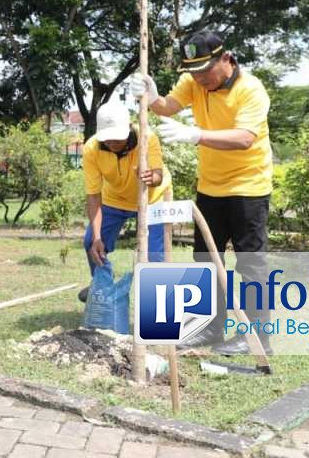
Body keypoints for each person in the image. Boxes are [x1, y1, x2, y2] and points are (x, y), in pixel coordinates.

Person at [132, 29, 274, 355]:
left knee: (251, 265)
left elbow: (244, 138)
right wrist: (153, 96)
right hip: (210, 187)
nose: (200, 79)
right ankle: (210, 329)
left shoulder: (250, 90)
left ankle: (257, 338)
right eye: (193, 72)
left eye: (205, 70)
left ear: (226, 58)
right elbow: (167, 107)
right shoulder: (195, 81)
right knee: (206, 261)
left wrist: (196, 135)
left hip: (248, 188)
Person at [81, 99, 171, 303]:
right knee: (91, 242)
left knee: (155, 256)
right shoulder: (92, 148)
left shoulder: (147, 137)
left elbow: (157, 175)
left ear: (129, 128)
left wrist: (150, 177)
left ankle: (157, 304)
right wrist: (96, 237)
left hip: (152, 200)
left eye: (116, 138)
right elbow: (94, 195)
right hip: (116, 199)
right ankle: (103, 283)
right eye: (107, 139)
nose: (112, 143)